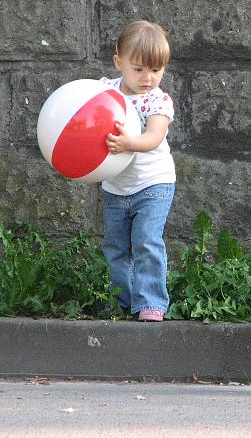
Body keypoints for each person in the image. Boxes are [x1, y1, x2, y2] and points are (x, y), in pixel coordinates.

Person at [100, 20, 176, 322]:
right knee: (116, 246)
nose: (148, 78)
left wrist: (130, 143)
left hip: (153, 184)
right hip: (116, 187)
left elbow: (154, 137)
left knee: (146, 240)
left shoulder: (157, 100)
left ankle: (151, 302)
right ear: (119, 62)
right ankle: (123, 300)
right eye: (139, 69)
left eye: (156, 70)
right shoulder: (105, 92)